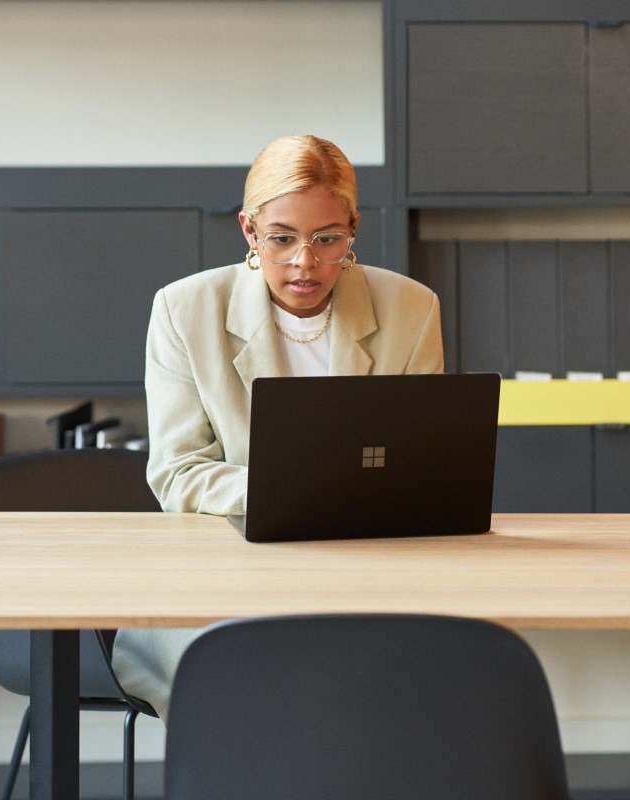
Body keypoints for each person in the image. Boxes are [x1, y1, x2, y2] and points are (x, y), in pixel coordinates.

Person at [111, 134, 444, 721]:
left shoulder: (411, 308)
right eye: (282, 239)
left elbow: (426, 466)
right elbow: (176, 473)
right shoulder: (184, 310)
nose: (304, 263)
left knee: (413, 672)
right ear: (249, 231)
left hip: (369, 571)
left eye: (328, 239)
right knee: (257, 680)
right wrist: (292, 491)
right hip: (227, 574)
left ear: (353, 228)